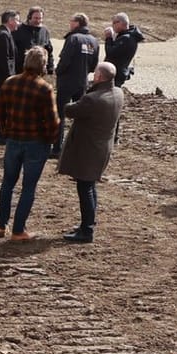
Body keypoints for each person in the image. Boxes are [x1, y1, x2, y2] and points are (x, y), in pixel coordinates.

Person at [0, 46, 61, 240]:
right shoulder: (44, 88)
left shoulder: (9, 82)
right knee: (28, 187)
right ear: (42, 65)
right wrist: (51, 140)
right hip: (36, 143)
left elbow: (0, 113)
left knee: (7, 183)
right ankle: (18, 230)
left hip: (14, 140)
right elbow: (53, 120)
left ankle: (1, 225)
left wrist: (7, 132)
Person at [57, 62, 125, 243]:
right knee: (90, 186)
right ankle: (88, 223)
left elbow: (70, 110)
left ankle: (86, 230)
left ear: (99, 77)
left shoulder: (93, 99)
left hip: (88, 149)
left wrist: (68, 99)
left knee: (85, 187)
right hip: (102, 147)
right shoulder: (118, 93)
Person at [53, 13, 100, 152]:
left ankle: (57, 148)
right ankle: (77, 146)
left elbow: (65, 60)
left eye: (71, 21)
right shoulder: (94, 41)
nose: (70, 23)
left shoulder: (73, 38)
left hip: (67, 82)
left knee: (60, 114)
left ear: (77, 23)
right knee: (79, 116)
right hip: (82, 82)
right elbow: (93, 65)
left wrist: (59, 71)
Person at [0, 10, 21, 145]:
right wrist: (10, 80)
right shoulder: (3, 35)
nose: (19, 23)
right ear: (10, 20)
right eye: (17, 20)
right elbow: (5, 60)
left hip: (0, 80)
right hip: (1, 81)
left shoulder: (5, 34)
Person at [104, 13, 145, 87]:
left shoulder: (126, 38)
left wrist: (108, 38)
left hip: (116, 74)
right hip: (119, 72)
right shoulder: (128, 36)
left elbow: (110, 53)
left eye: (114, 23)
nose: (112, 25)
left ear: (120, 23)